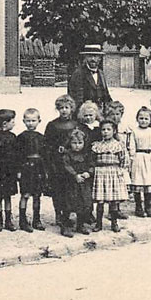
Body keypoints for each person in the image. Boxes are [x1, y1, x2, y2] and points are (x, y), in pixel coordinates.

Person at [44, 94, 82, 233]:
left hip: (72, 162)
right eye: (61, 108)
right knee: (58, 189)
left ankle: (73, 215)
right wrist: (55, 150)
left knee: (71, 190)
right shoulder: (52, 125)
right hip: (57, 162)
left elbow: (80, 141)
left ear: (72, 109)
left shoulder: (76, 124)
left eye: (67, 107)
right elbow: (47, 144)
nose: (64, 110)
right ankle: (59, 214)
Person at [91, 119, 129, 232]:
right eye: (103, 130)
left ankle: (114, 223)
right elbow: (92, 160)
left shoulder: (118, 145)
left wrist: (121, 172)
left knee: (113, 201)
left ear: (114, 131)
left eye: (109, 129)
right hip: (100, 173)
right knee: (100, 201)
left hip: (113, 173)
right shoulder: (96, 145)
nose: (106, 132)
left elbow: (124, 160)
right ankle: (98, 223)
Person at [16, 108, 47, 232]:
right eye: (28, 121)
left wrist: (45, 171)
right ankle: (22, 220)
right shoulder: (21, 137)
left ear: (39, 121)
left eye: (33, 120)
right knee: (25, 194)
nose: (30, 123)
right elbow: (17, 155)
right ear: (23, 121)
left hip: (38, 168)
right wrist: (18, 170)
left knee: (37, 195)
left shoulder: (41, 137)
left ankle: (36, 219)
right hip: (26, 168)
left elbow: (45, 155)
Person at [60, 129, 95, 236]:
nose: (77, 146)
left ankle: (81, 224)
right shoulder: (67, 154)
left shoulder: (86, 154)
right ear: (70, 143)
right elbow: (66, 166)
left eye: (80, 143)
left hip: (84, 183)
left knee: (84, 203)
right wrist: (75, 175)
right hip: (71, 183)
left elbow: (92, 165)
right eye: (74, 143)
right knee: (69, 204)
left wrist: (88, 173)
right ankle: (66, 226)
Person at [0, 109, 19, 232]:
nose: (14, 124)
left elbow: (17, 154)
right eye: (12, 121)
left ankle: (8, 220)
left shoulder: (13, 137)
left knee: (8, 196)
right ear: (4, 123)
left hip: (10, 171)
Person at [67, 44, 112, 111]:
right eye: (90, 56)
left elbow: (106, 96)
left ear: (99, 58)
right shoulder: (78, 74)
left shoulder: (101, 73)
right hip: (85, 114)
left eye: (95, 56)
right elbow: (76, 99)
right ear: (85, 57)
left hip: (101, 113)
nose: (93, 59)